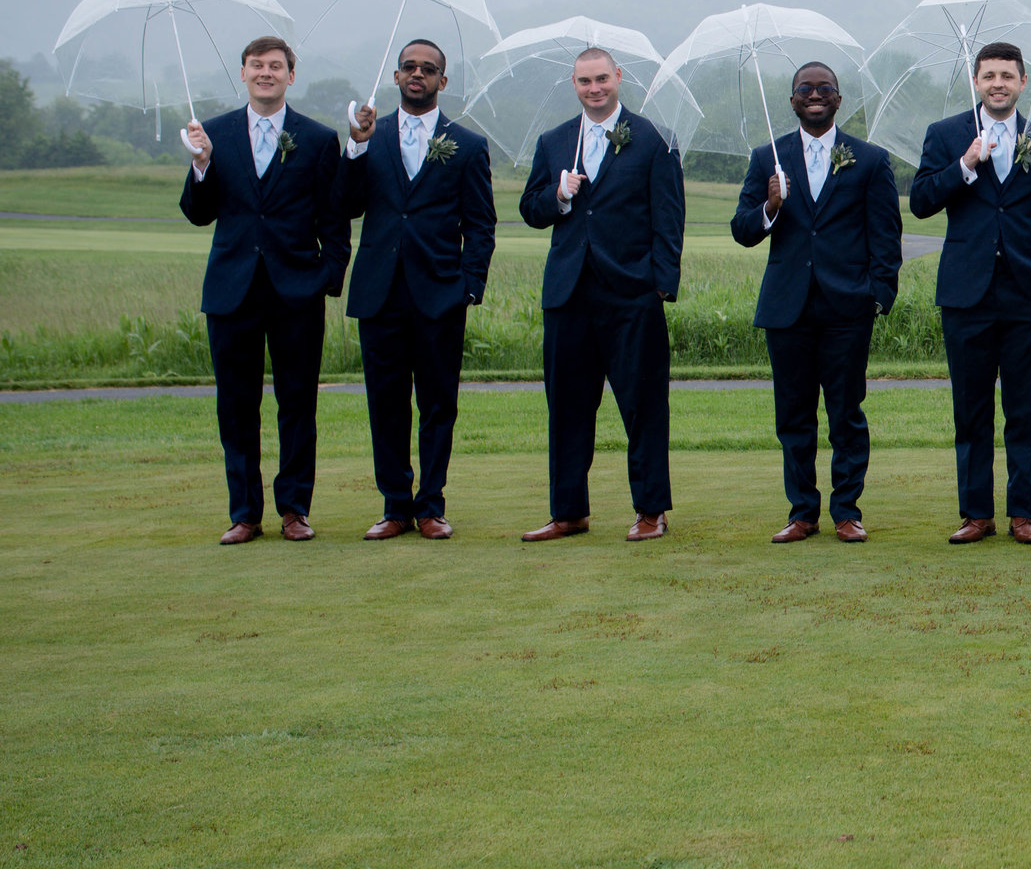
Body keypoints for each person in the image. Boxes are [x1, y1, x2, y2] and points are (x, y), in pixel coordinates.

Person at [178, 35, 349, 543]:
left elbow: (334, 220)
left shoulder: (317, 139)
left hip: (297, 291)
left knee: (297, 402)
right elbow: (197, 213)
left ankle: (294, 508)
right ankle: (244, 513)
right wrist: (201, 164)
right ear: (244, 72)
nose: (266, 73)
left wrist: (326, 279)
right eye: (258, 66)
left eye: (276, 66)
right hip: (231, 290)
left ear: (291, 76)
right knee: (235, 404)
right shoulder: (211, 134)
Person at [517, 46, 686, 542]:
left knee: (643, 406)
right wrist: (558, 195)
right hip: (568, 295)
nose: (594, 89)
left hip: (633, 295)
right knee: (567, 407)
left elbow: (668, 220)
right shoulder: (554, 142)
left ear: (618, 77)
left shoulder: (655, 140)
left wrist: (660, 286)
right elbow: (530, 207)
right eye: (584, 82)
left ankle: (651, 511)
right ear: (574, 85)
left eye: (601, 79)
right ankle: (569, 512)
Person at [731, 62, 902, 543]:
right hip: (787, 308)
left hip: (847, 307)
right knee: (794, 416)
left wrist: (878, 296)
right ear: (791, 101)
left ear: (838, 99)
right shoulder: (769, 157)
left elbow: (886, 237)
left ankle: (846, 510)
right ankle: (802, 512)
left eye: (824, 89)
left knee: (847, 414)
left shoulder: (867, 159)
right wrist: (769, 206)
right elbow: (742, 229)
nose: (814, 95)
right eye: (805, 89)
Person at [911, 40, 1031, 544]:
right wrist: (964, 165)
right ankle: (976, 513)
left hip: (1030, 294)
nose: (998, 83)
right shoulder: (946, 135)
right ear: (976, 82)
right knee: (972, 409)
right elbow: (919, 202)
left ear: (1023, 82)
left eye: (1008, 75)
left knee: (1027, 410)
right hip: (967, 294)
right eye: (989, 76)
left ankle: (1023, 513)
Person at [337, 38, 496, 540]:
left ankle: (431, 506)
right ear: (397, 77)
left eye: (428, 69)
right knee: (384, 404)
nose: (417, 74)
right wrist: (356, 146)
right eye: (409, 67)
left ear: (442, 82)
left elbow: (481, 225)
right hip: (379, 293)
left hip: (440, 295)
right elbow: (345, 204)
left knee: (437, 405)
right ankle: (395, 507)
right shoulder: (370, 136)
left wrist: (469, 288)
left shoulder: (467, 146)